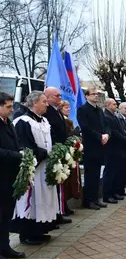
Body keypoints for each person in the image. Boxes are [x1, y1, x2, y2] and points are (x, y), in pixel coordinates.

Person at [12, 91, 59, 245]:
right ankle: (27, 233)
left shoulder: (44, 120)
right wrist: (45, 153)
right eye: (44, 101)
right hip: (34, 168)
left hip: (45, 167)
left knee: (43, 198)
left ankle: (39, 230)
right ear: (34, 103)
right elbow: (26, 145)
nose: (47, 104)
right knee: (31, 199)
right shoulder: (23, 121)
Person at [0, 92, 25, 259]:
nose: (12, 109)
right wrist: (17, 155)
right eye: (8, 107)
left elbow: (16, 143)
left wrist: (23, 151)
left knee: (6, 215)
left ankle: (5, 247)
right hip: (1, 176)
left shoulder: (8, 123)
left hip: (10, 176)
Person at [77, 86, 109, 210]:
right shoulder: (82, 109)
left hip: (100, 145)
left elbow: (105, 125)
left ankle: (95, 199)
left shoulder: (100, 110)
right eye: (93, 94)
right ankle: (88, 200)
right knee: (90, 175)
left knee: (96, 174)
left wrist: (106, 134)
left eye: (97, 94)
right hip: (90, 146)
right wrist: (99, 136)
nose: (96, 95)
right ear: (87, 96)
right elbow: (85, 128)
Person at [44, 87, 71, 224]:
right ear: (47, 97)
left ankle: (60, 211)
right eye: (56, 95)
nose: (60, 97)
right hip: (54, 151)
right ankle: (56, 214)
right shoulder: (47, 112)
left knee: (60, 183)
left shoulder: (56, 111)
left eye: (60, 95)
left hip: (60, 151)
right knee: (55, 183)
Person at [103, 99, 126, 203]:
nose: (116, 106)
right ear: (108, 105)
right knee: (109, 172)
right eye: (114, 104)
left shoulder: (113, 116)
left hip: (117, 148)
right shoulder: (107, 116)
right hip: (111, 148)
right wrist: (125, 139)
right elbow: (114, 132)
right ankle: (107, 194)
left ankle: (114, 192)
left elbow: (120, 130)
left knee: (115, 172)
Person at [59, 100, 82, 214]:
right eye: (66, 107)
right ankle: (63, 204)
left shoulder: (69, 120)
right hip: (65, 154)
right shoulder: (63, 121)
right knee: (65, 180)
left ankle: (65, 203)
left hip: (71, 153)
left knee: (68, 179)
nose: (68, 109)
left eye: (68, 107)